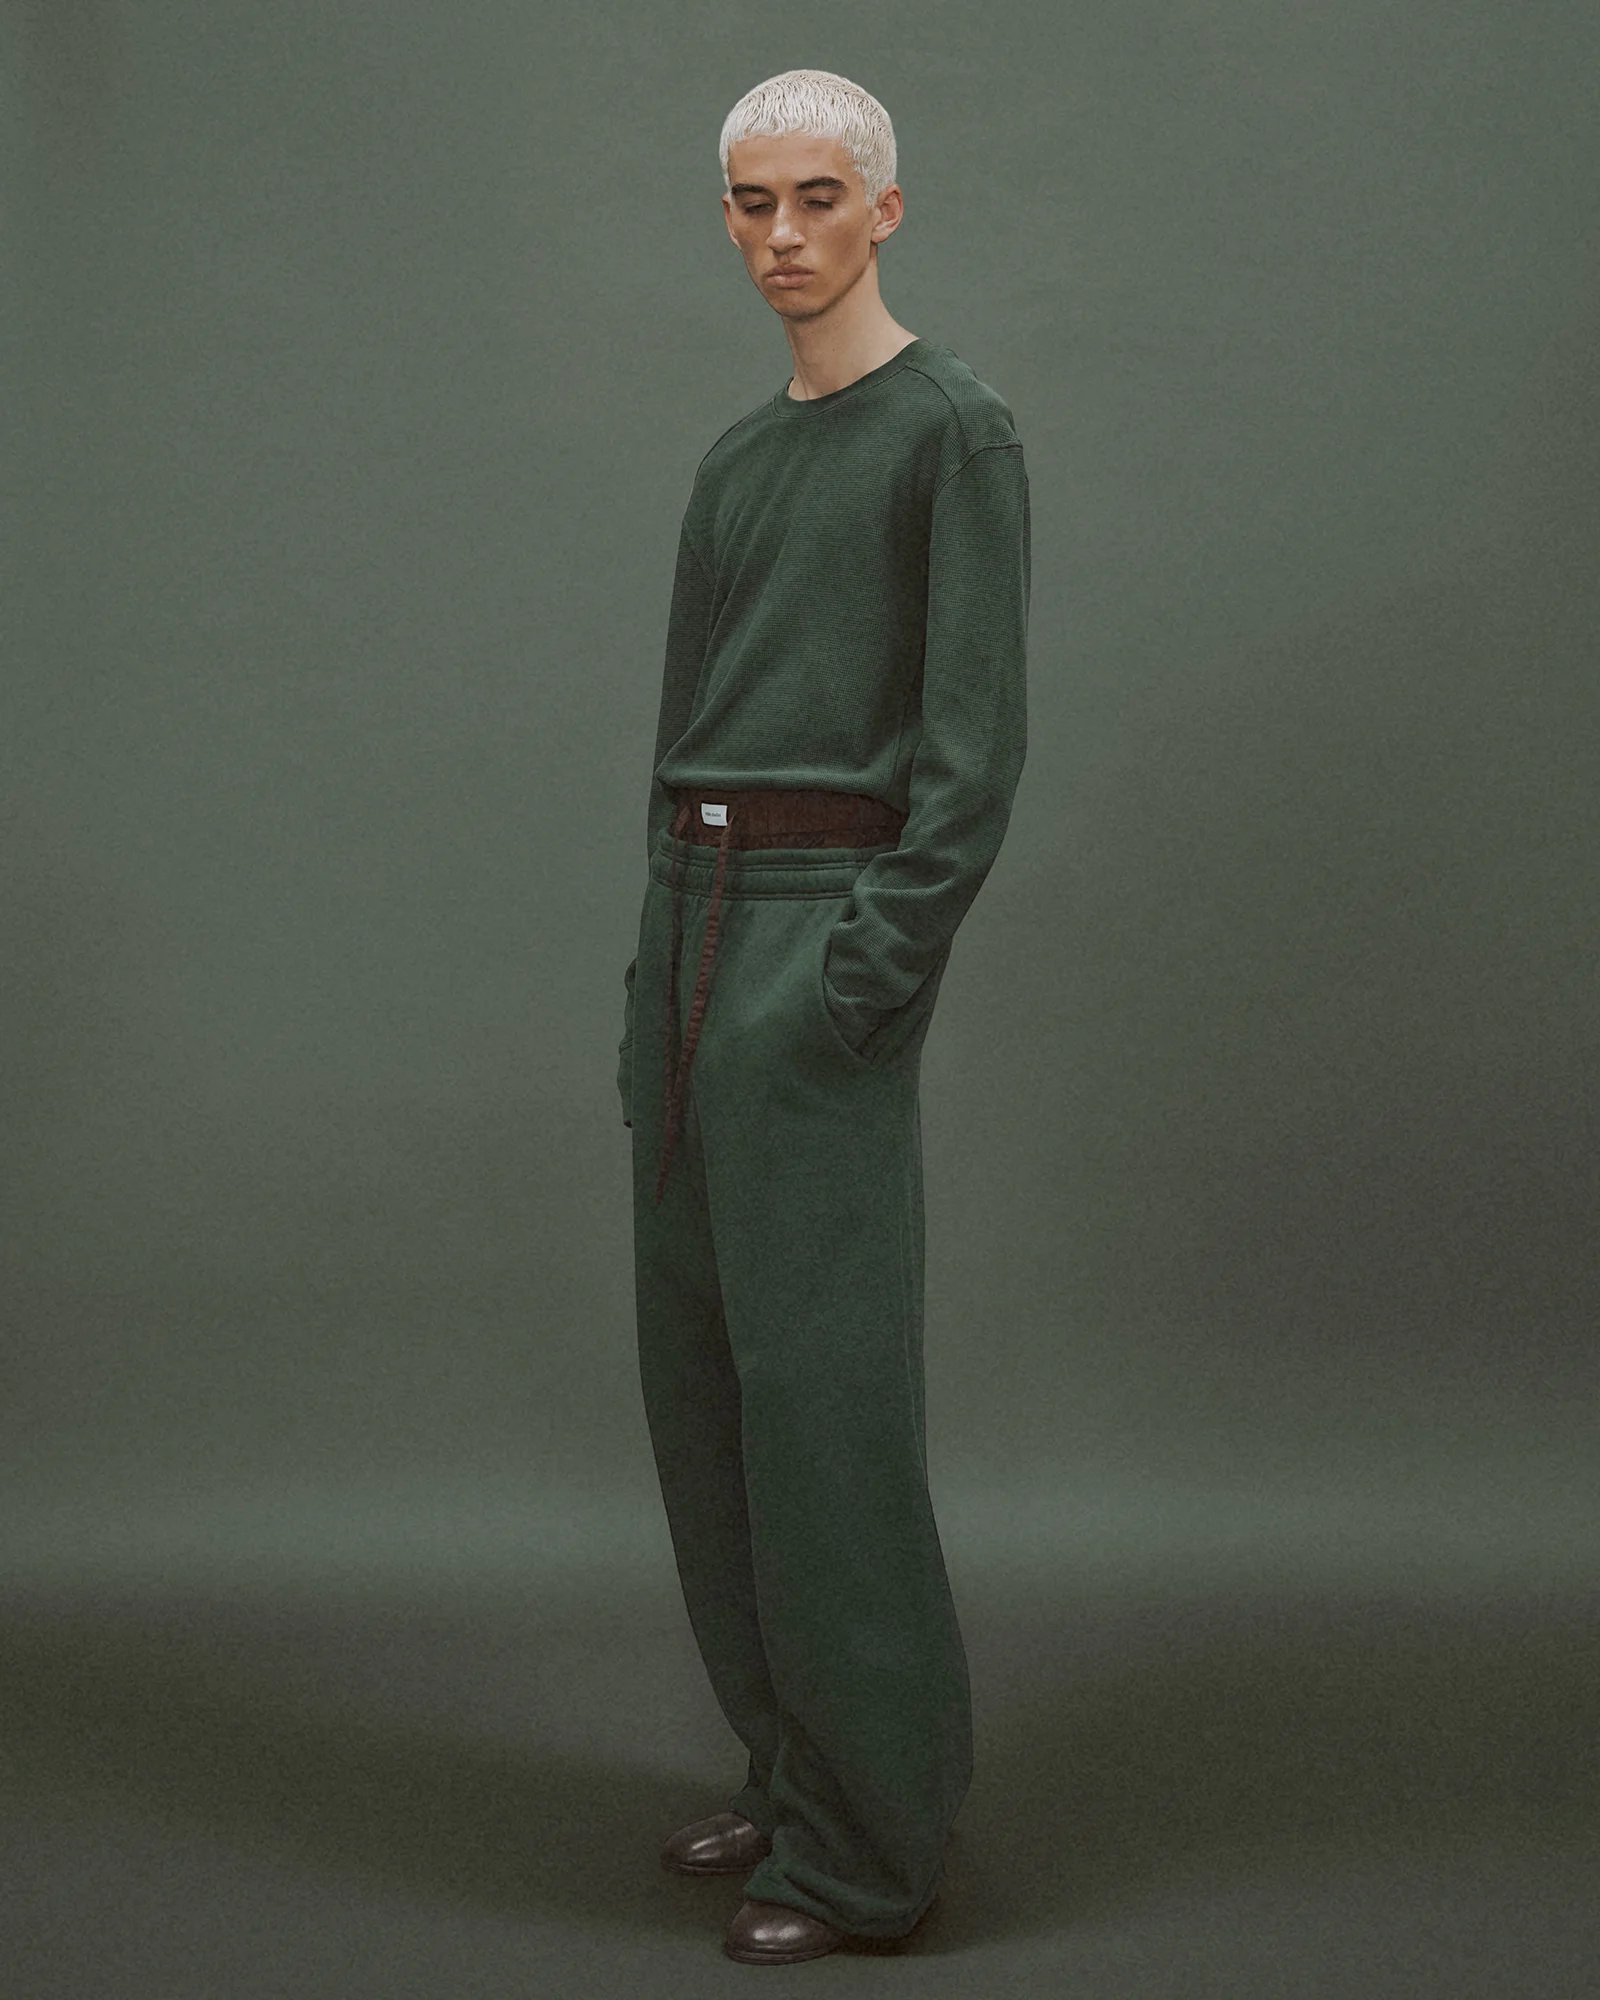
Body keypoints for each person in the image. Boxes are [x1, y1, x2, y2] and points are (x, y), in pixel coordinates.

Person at [615, 67, 1031, 1967]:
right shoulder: (734, 464)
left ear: (884, 209)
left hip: (815, 935)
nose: (780, 234)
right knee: (704, 1398)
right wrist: (655, 986)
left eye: (815, 198)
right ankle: (792, 1772)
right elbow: (676, 737)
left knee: (824, 1411)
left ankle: (872, 1849)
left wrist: (862, 984)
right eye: (750, 202)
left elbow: (970, 753)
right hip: (692, 932)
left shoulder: (953, 433)